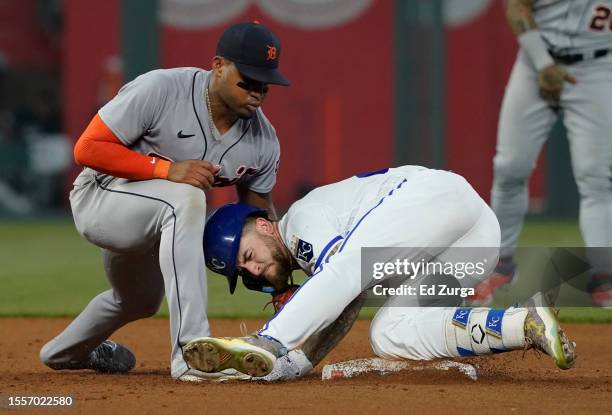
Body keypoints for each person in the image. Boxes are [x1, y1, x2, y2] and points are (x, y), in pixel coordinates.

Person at [39, 21, 290, 381]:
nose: (256, 92)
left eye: (264, 84)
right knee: (186, 197)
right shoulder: (162, 89)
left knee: (138, 301)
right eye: (247, 81)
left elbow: (259, 220)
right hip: (101, 197)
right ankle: (191, 352)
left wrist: (282, 278)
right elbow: (87, 148)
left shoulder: (263, 141)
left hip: (156, 224)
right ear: (218, 66)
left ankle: (63, 353)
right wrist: (164, 169)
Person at [184, 166, 576, 380]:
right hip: (476, 240)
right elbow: (349, 296)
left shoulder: (301, 224)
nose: (254, 268)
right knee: (390, 333)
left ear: (266, 226)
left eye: (249, 253)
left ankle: (266, 342)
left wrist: (286, 349)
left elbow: (346, 278)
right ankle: (523, 324)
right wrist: (301, 363)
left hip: (434, 199)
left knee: (346, 270)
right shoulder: (313, 257)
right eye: (244, 270)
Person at [474, 0, 612, 306]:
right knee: (510, 167)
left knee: (596, 178)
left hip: (598, 67)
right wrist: (543, 64)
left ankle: (605, 275)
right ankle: (499, 263)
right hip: (536, 61)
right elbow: (517, 7)